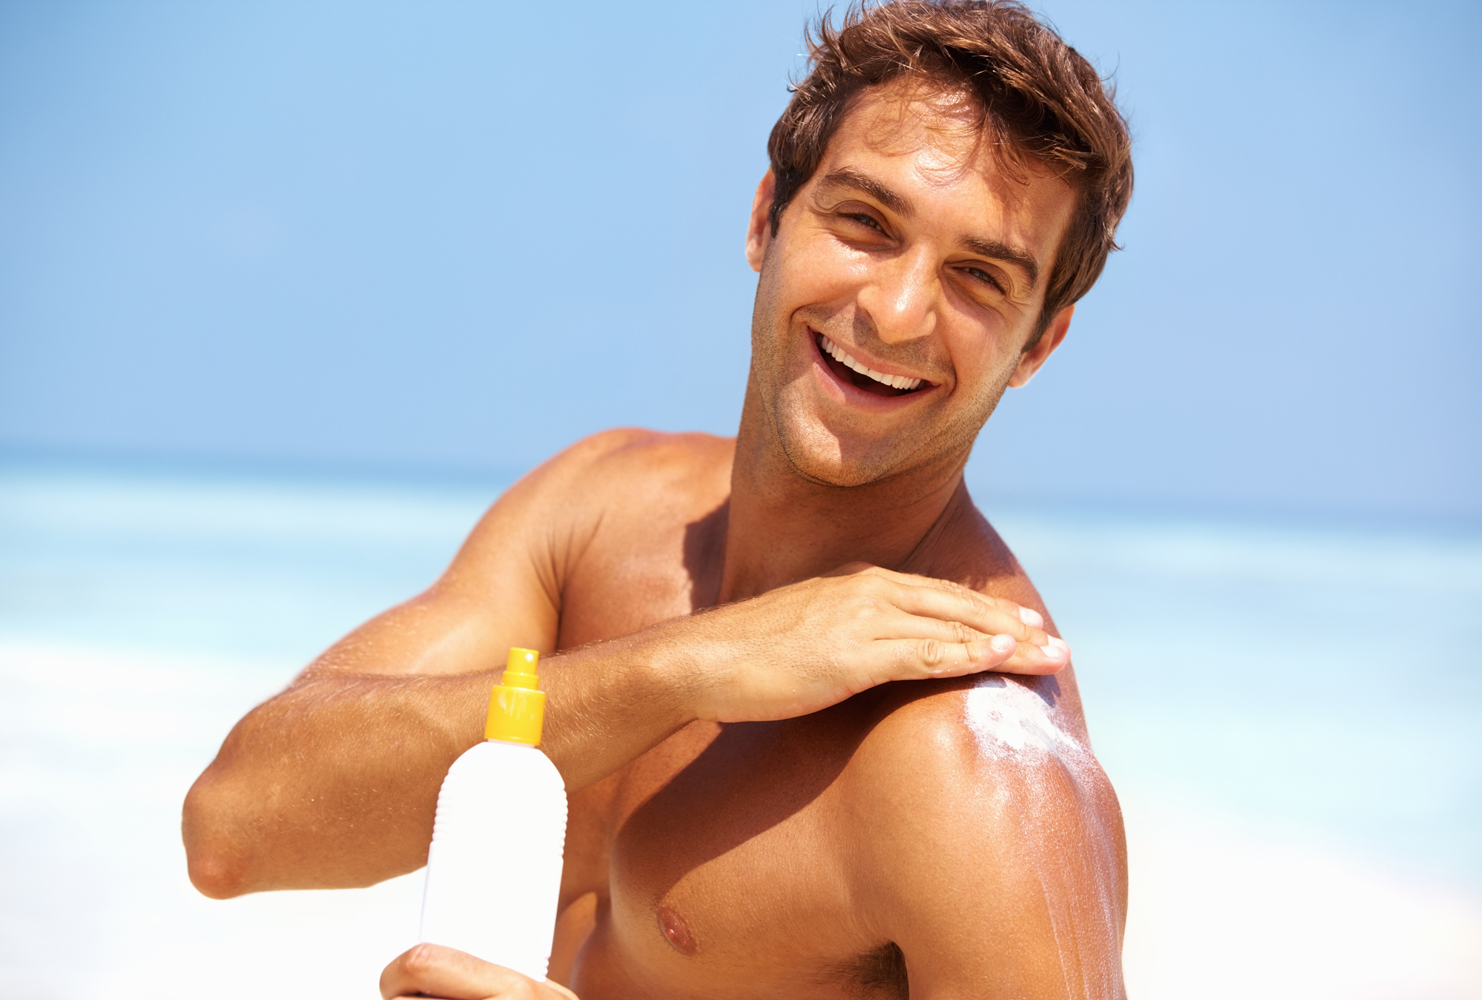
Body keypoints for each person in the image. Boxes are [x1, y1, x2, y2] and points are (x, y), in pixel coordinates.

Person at [182, 1, 1135, 996]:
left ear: (1038, 344)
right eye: (864, 221)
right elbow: (234, 828)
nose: (896, 314)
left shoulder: (974, 767)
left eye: (979, 276)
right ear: (768, 216)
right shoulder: (601, 511)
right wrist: (691, 667)